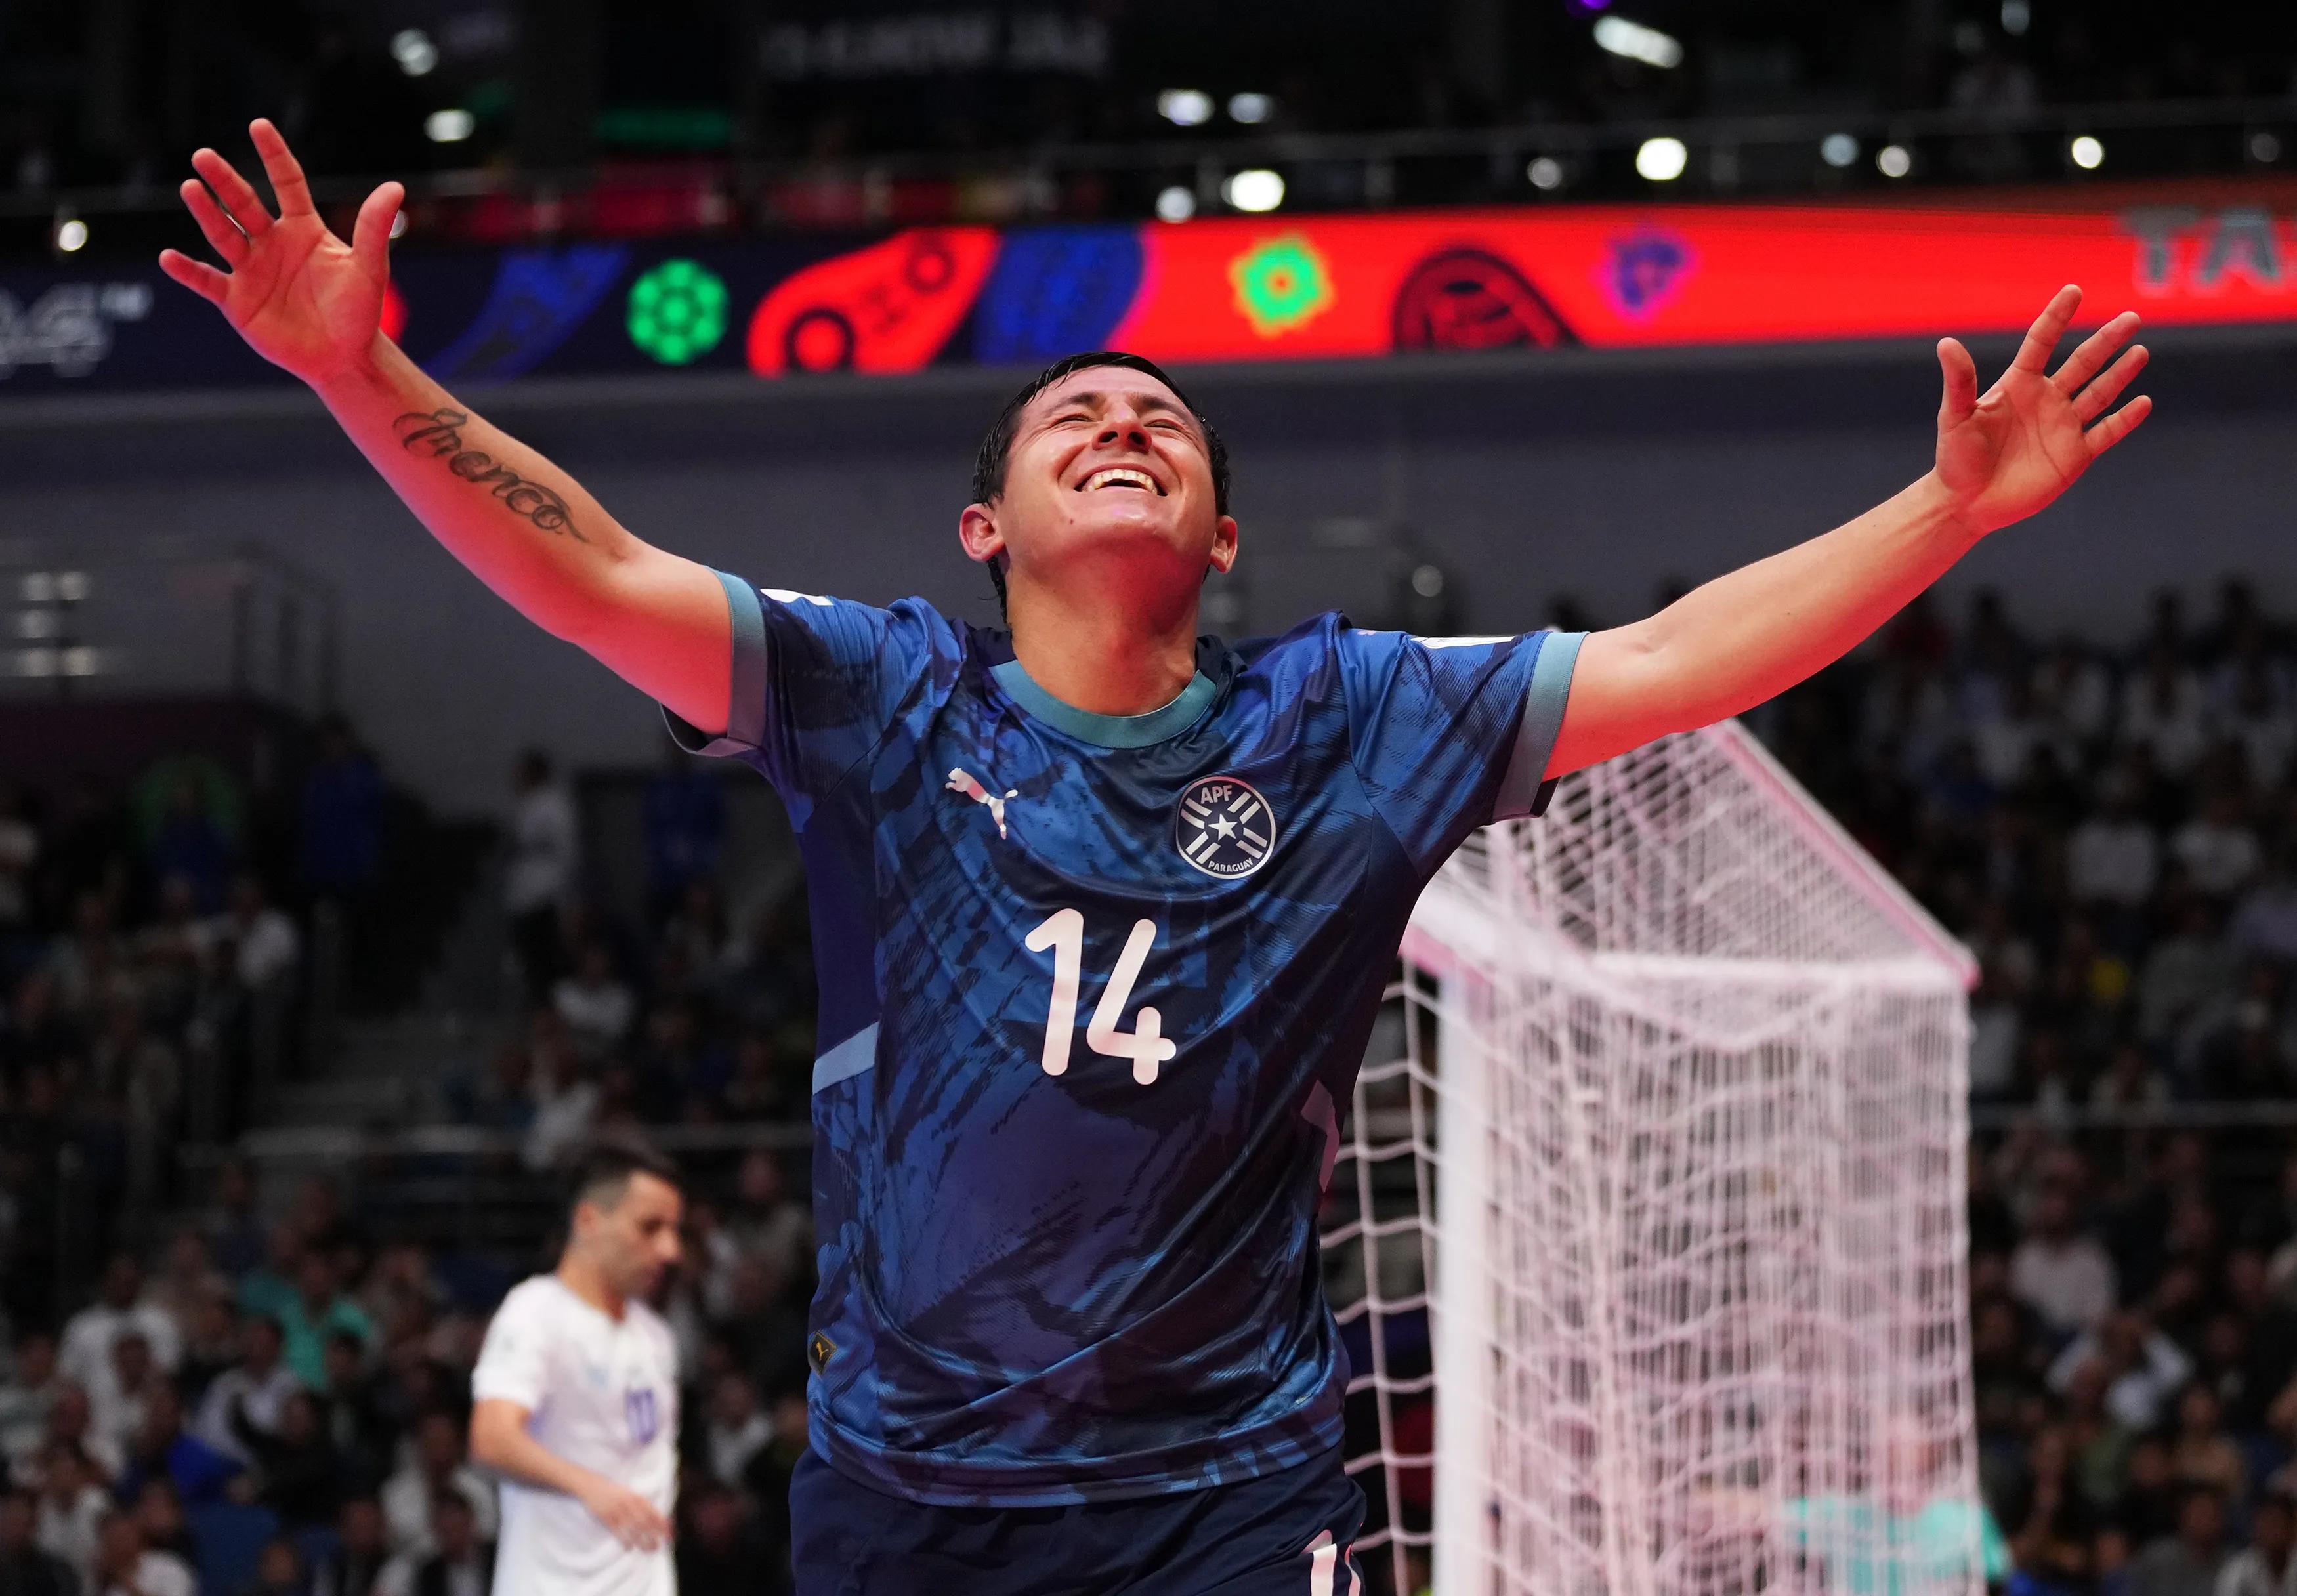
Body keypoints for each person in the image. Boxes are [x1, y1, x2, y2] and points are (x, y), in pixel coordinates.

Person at [162, 117, 2153, 1595]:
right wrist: (355, 369)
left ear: (1215, 538)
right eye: (1070, 417)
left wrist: (1937, 517)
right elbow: (592, 568)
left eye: (1162, 424)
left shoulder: (1356, 717)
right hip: (909, 1492)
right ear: (980, 531)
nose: (1120, 421)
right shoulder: (879, 705)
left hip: (1225, 1496)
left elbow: (1658, 660)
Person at [467, 1143, 683, 1596]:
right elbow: (491, 1438)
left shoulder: (656, 1337)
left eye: (674, 1231)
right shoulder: (536, 1312)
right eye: (650, 1228)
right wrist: (593, 1489)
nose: (670, 1250)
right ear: (589, 1221)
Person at [0, 1486, 76, 1596]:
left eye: (18, 1522)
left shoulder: (55, 1572)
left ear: (32, 1526)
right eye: (8, 1521)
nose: (12, 1529)